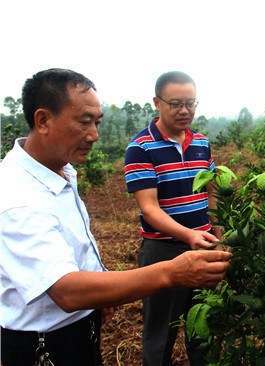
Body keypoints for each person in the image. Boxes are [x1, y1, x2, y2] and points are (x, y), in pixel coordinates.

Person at [0, 68, 232, 366]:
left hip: (79, 327)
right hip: (44, 342)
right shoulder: (17, 199)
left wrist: (99, 293)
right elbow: (66, 291)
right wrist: (171, 272)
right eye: (85, 122)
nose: (94, 135)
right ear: (43, 120)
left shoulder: (60, 172)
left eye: (97, 123)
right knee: (160, 336)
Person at [124, 71, 222, 366]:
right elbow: (150, 210)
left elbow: (211, 189)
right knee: (160, 335)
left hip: (204, 245)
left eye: (190, 103)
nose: (185, 111)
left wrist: (217, 228)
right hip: (163, 252)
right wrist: (189, 235)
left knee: (203, 329)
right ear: (157, 102)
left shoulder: (201, 142)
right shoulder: (141, 147)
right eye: (176, 103)